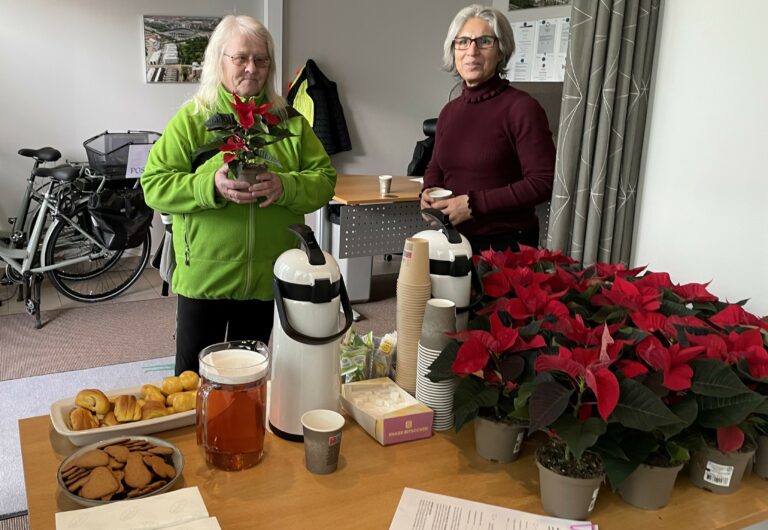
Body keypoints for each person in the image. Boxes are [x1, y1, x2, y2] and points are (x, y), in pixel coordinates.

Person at [141, 15, 336, 375]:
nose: (252, 68)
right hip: (204, 281)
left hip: (265, 280)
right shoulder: (193, 120)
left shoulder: (289, 122)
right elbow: (154, 185)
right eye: (241, 58)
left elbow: (324, 181)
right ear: (220, 60)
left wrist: (285, 186)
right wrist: (209, 186)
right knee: (193, 385)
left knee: (249, 380)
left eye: (261, 59)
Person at [420, 4, 555, 255]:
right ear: (453, 50)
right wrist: (428, 190)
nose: (472, 51)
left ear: (501, 50)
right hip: (453, 241)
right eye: (463, 42)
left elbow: (542, 182)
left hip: (507, 246)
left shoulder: (522, 108)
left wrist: (473, 205)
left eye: (484, 41)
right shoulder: (449, 111)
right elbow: (436, 166)